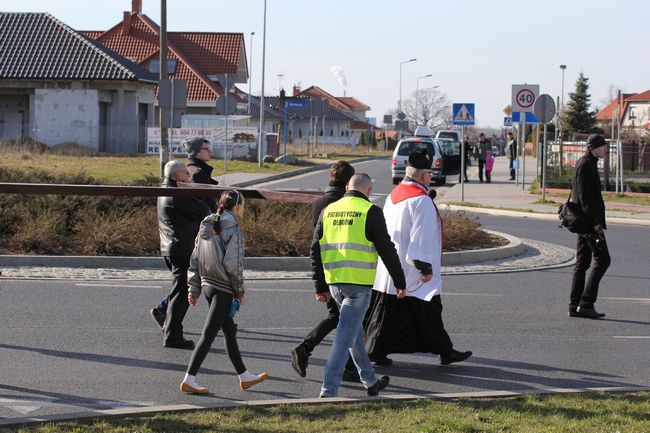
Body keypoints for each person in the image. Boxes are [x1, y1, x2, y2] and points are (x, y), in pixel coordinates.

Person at [366, 149, 473, 366]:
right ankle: (443, 351)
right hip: (412, 268)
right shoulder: (421, 201)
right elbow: (421, 237)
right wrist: (424, 267)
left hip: (392, 265)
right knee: (427, 310)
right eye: (429, 173)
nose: (431, 176)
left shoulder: (393, 195)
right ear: (423, 175)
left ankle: (379, 350)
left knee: (391, 311)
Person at [311, 173, 406, 398]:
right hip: (359, 286)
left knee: (353, 335)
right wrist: (400, 282)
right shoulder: (370, 211)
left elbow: (314, 249)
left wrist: (319, 285)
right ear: (370, 191)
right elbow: (387, 249)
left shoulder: (329, 211)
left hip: (335, 283)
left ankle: (370, 382)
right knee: (344, 337)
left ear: (346, 187)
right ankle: (328, 391)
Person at [180, 190, 268, 394]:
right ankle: (189, 378)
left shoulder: (206, 226)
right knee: (208, 334)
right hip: (223, 288)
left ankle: (244, 376)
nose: (243, 210)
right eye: (243, 206)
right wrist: (239, 292)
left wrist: (193, 288)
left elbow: (195, 259)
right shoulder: (233, 229)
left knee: (229, 332)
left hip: (208, 286)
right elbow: (234, 265)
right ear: (237, 207)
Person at [291, 161, 359, 380]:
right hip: (343, 269)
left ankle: (346, 365)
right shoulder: (344, 203)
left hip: (326, 267)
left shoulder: (318, 202)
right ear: (349, 182)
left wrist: (319, 283)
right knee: (343, 317)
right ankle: (306, 349)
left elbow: (316, 245)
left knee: (341, 316)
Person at [150, 136, 219, 328]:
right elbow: (201, 206)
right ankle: (220, 319)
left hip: (191, 236)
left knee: (191, 281)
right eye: (206, 148)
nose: (210, 152)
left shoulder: (195, 172)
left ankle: (164, 310)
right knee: (201, 279)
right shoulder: (194, 174)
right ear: (197, 151)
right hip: (194, 236)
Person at [156, 160, 210, 349]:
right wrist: (196, 190)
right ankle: (172, 336)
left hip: (172, 247)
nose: (189, 176)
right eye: (186, 173)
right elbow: (204, 210)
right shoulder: (178, 194)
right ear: (177, 175)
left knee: (179, 291)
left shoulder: (166, 191)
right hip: (182, 248)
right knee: (183, 293)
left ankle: (168, 323)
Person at [569, 134, 611, 319]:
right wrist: (596, 224)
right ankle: (586, 303)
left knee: (582, 263)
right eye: (603, 147)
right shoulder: (586, 165)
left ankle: (574, 305)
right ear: (593, 148)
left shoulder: (587, 163)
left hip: (584, 222)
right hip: (588, 223)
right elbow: (586, 200)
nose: (606, 149)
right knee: (603, 260)